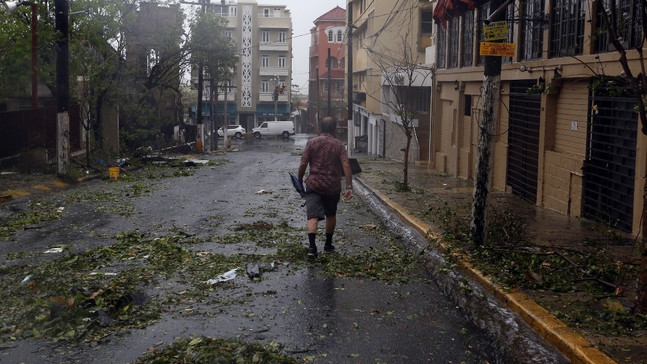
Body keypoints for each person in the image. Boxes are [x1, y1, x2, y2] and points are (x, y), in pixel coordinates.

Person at [298, 117, 353, 258]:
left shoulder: (312, 142)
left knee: (312, 215)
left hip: (314, 184)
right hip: (332, 186)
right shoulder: (339, 145)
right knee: (331, 214)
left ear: (320, 128)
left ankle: (312, 248)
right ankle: (328, 245)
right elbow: (346, 165)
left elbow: (303, 163)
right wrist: (348, 186)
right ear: (335, 129)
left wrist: (299, 180)